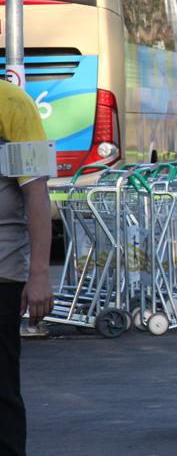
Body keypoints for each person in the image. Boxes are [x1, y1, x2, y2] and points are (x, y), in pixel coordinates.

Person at [0, 79, 54, 456]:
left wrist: (39, 275)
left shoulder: (12, 104)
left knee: (1, 388)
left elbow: (36, 193)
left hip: (2, 272)